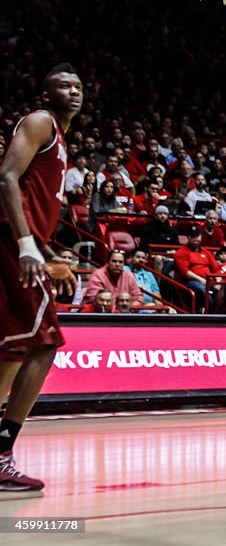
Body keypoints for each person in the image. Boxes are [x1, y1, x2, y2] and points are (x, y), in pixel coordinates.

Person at [0, 63, 81, 491]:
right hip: (12, 244)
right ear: (46, 95)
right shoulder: (39, 122)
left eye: (78, 86)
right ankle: (2, 451)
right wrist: (27, 245)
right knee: (44, 343)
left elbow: (32, 200)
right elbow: (5, 178)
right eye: (63, 86)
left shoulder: (61, 138)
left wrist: (49, 250)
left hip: (23, 243)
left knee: (13, 347)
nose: (73, 92)